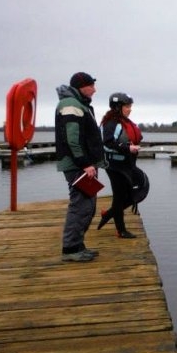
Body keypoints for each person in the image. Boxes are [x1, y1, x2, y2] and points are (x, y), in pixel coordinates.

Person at [55, 72, 107, 262]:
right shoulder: (71, 105)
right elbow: (72, 139)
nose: (94, 89)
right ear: (81, 86)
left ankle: (78, 245)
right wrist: (85, 163)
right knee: (80, 206)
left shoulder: (79, 104)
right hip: (78, 166)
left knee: (88, 205)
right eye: (91, 85)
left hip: (84, 165)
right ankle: (70, 249)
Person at [97, 92, 143, 238]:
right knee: (119, 197)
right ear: (118, 107)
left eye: (130, 106)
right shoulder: (111, 123)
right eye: (127, 106)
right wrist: (128, 148)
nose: (130, 109)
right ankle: (121, 230)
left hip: (126, 164)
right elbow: (108, 142)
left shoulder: (124, 122)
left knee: (131, 194)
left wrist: (132, 147)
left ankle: (109, 213)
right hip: (115, 165)